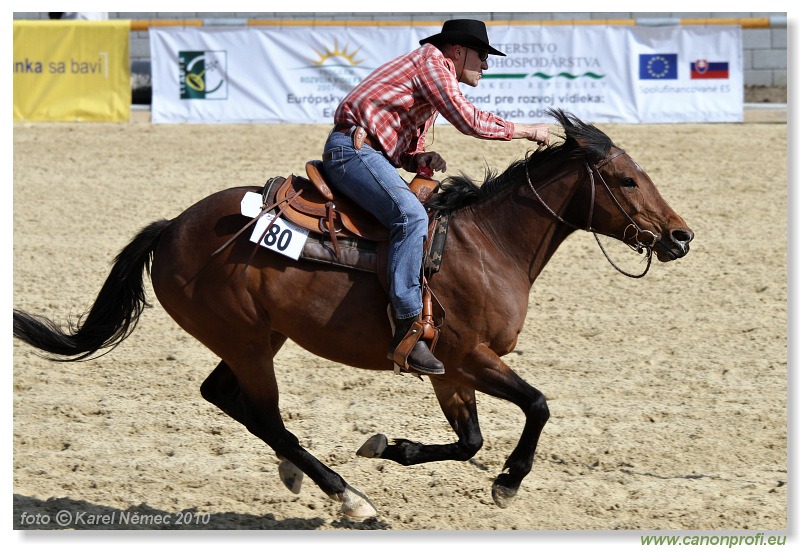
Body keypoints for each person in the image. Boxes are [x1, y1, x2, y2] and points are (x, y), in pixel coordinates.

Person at [322, 19, 550, 376]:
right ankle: (408, 329)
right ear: (458, 51)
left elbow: (399, 146)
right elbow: (468, 120)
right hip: (353, 152)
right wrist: (526, 131)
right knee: (411, 217)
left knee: (420, 215)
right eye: (482, 55)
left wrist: (417, 159)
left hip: (366, 152)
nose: (486, 65)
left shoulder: (428, 76)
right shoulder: (433, 62)